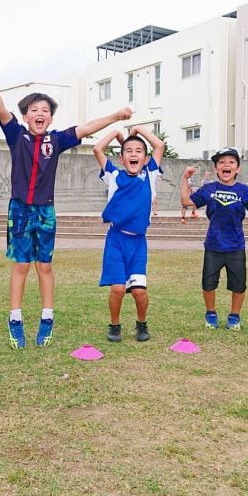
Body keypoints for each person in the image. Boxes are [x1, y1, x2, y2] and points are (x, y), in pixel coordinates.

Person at [0, 68, 132, 349]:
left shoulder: (56, 140)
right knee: (22, 265)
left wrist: (116, 116)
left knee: (44, 266)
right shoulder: (16, 135)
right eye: (34, 110)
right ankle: (15, 319)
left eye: (45, 110)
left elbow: (85, 128)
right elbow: (1, 111)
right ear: (25, 116)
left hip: (46, 212)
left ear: (50, 117)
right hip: (20, 211)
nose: (40, 114)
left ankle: (47, 317)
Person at [180, 147, 248, 331]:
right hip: (213, 245)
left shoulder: (243, 190)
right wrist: (185, 178)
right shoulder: (209, 189)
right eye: (221, 162)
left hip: (236, 246)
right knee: (208, 283)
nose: (226, 165)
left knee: (239, 284)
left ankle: (234, 317)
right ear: (216, 168)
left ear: (238, 169)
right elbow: (186, 202)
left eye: (231, 162)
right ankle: (211, 314)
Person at [94, 126, 164, 342]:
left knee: (139, 292)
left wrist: (138, 130)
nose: (134, 154)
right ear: (122, 158)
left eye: (138, 151)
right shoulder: (114, 176)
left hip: (138, 242)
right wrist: (116, 133)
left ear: (145, 158)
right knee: (117, 288)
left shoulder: (150, 174)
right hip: (116, 239)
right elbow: (98, 148)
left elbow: (159, 145)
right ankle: (114, 326)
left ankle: (141, 324)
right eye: (128, 151)